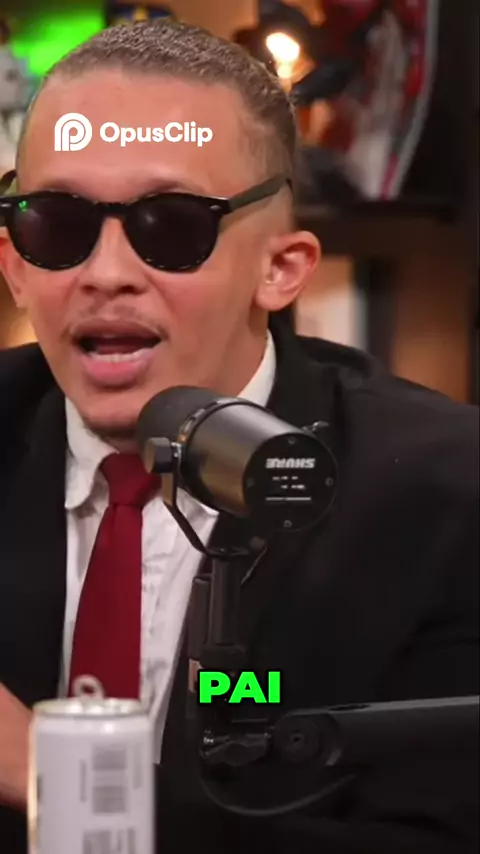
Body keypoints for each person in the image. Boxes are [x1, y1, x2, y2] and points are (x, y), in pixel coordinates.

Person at [0, 18, 478, 854]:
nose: (105, 274)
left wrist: (56, 769)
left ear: (280, 268)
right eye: (59, 226)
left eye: (171, 226)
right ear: (14, 264)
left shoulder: (444, 493)